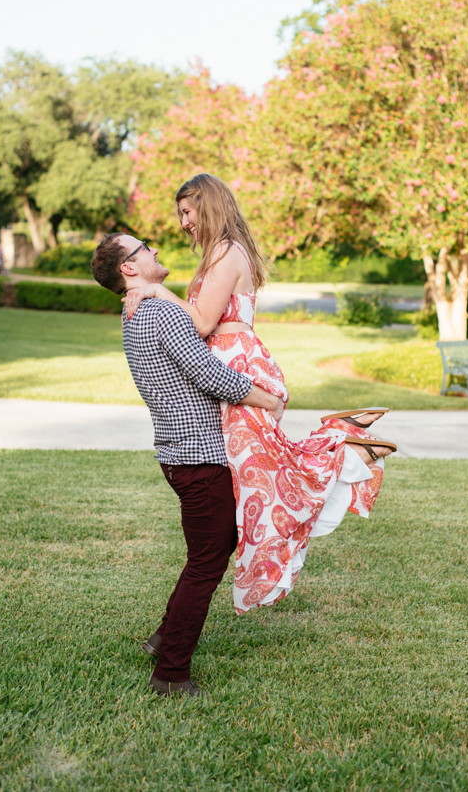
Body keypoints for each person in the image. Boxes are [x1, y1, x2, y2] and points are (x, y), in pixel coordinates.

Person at [123, 174, 397, 615]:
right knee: (265, 466)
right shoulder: (220, 252)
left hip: (236, 363)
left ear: (207, 205)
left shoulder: (226, 252)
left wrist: (155, 289)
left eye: (187, 212)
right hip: (234, 359)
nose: (183, 223)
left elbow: (200, 323)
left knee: (267, 474)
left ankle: (347, 449)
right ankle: (345, 442)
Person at [90, 233, 285, 698]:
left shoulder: (137, 310)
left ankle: (162, 640)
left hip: (179, 455)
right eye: (144, 249)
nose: (155, 250)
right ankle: (171, 674)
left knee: (205, 553)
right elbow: (210, 374)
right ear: (129, 269)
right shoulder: (158, 312)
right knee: (208, 560)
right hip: (198, 458)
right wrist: (269, 400)